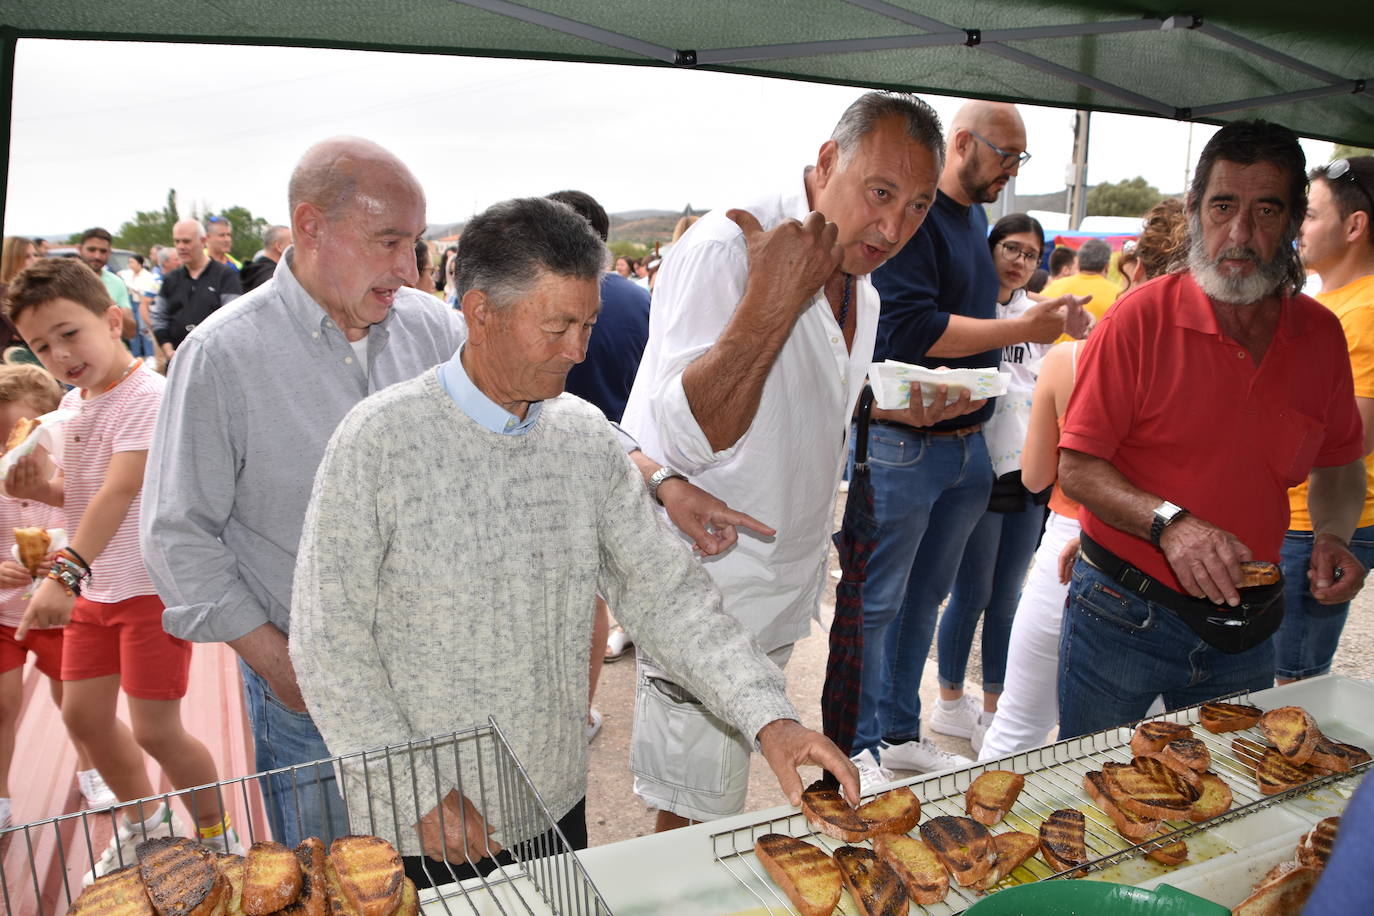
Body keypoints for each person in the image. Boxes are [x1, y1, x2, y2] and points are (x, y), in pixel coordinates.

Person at [143, 136, 749, 847]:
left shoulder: (433, 325)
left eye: (416, 244)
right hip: (305, 694)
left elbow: (547, 416)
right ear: (310, 227)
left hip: (434, 695)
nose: (409, 268)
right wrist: (280, 661)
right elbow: (177, 535)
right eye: (389, 241)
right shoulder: (222, 357)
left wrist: (662, 482)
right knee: (343, 877)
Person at [290, 196, 859, 883]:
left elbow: (667, 598)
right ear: (479, 313)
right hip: (424, 829)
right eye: (558, 325)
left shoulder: (585, 437)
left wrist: (771, 720)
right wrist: (413, 794)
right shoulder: (378, 441)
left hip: (554, 805)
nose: (579, 350)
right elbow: (329, 643)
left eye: (587, 323)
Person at [622, 90, 956, 823]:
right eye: (881, 192)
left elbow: (799, 402)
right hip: (708, 591)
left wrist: (881, 399)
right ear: (828, 160)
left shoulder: (862, 285)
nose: (895, 225)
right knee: (694, 818)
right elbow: (679, 435)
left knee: (737, 806)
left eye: (919, 206)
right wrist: (771, 301)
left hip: (783, 583)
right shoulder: (727, 247)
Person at [1056, 120, 1367, 738]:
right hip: (1122, 610)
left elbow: (1337, 463)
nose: (1241, 233)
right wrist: (1172, 524)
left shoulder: (1321, 336)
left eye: (1266, 210)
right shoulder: (1138, 320)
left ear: (1293, 221)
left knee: (1225, 798)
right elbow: (1077, 468)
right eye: (1224, 206)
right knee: (1090, 794)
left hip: (1247, 628)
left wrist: (1334, 535)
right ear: (1196, 211)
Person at [852, 101, 1078, 781]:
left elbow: (962, 320)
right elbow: (913, 328)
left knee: (925, 598)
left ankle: (895, 732)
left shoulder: (972, 217)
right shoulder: (920, 223)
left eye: (1019, 157)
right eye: (1005, 153)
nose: (1011, 169)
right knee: (879, 600)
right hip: (905, 444)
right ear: (961, 143)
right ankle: (859, 745)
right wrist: (1021, 331)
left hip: (963, 441)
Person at [4, 258, 232, 882]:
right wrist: (42, 489)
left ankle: (218, 836)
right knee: (82, 717)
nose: (58, 354)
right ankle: (146, 826)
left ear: (114, 319)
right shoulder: (74, 407)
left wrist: (63, 573)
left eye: (69, 333)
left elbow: (122, 489)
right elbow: (80, 494)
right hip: (95, 590)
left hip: (145, 591)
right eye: (40, 345)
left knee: (156, 728)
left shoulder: (147, 394)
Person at [978, 195, 1190, 760]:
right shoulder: (1200, 373)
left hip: (1071, 547)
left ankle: (975, 838)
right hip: (1163, 566)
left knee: (1016, 728)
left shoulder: (1070, 360)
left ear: (1135, 267)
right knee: (1128, 751)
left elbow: (1036, 477)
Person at [933, 214, 1053, 753]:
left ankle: (993, 708)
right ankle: (950, 701)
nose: (1019, 261)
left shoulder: (1041, 320)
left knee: (1007, 599)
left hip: (1028, 476)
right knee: (971, 592)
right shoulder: (971, 312)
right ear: (990, 249)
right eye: (1011, 247)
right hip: (975, 467)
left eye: (1030, 254)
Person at [0, 365, 117, 831]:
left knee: (74, 701)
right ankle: (1, 793)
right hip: (4, 616)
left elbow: (97, 532)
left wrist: (67, 564)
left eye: (19, 435)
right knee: (2, 704)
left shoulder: (70, 482)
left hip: (61, 615)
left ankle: (91, 769)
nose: (11, 449)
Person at [1275, 156, 1374, 684]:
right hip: (1300, 517)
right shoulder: (1336, 301)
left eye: (1309, 215)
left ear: (1355, 226)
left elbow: (1347, 439)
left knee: (1289, 686)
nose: (1298, 228)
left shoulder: (1362, 313)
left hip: (1313, 524)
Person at [152, 219, 243, 361]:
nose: (181, 247)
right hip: (177, 360)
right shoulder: (171, 279)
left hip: (214, 361)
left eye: (186, 241)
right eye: (177, 242)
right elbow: (159, 317)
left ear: (203, 241)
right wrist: (168, 350)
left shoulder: (225, 276)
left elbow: (233, 319)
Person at [1041, 238, 1119, 338]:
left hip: (1050, 352)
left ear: (1077, 263)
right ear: (1107, 266)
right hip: (1091, 352)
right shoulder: (1120, 295)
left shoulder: (1052, 287)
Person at [75, 228, 137, 341]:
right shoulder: (63, 280)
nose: (97, 256)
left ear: (109, 253)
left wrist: (107, 303)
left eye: (103, 251)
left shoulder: (117, 282)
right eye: (91, 249)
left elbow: (130, 332)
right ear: (79, 249)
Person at [116, 254, 158, 358]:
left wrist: (132, 287)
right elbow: (119, 273)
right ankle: (136, 355)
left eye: (132, 262)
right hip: (130, 303)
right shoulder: (128, 274)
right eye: (129, 262)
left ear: (140, 264)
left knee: (144, 330)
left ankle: (149, 355)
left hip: (142, 303)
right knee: (133, 329)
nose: (130, 265)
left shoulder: (148, 276)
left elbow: (146, 291)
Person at [239, 225, 290, 292]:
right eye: (292, 243)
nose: (296, 248)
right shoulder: (273, 279)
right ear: (279, 247)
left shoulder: (253, 271)